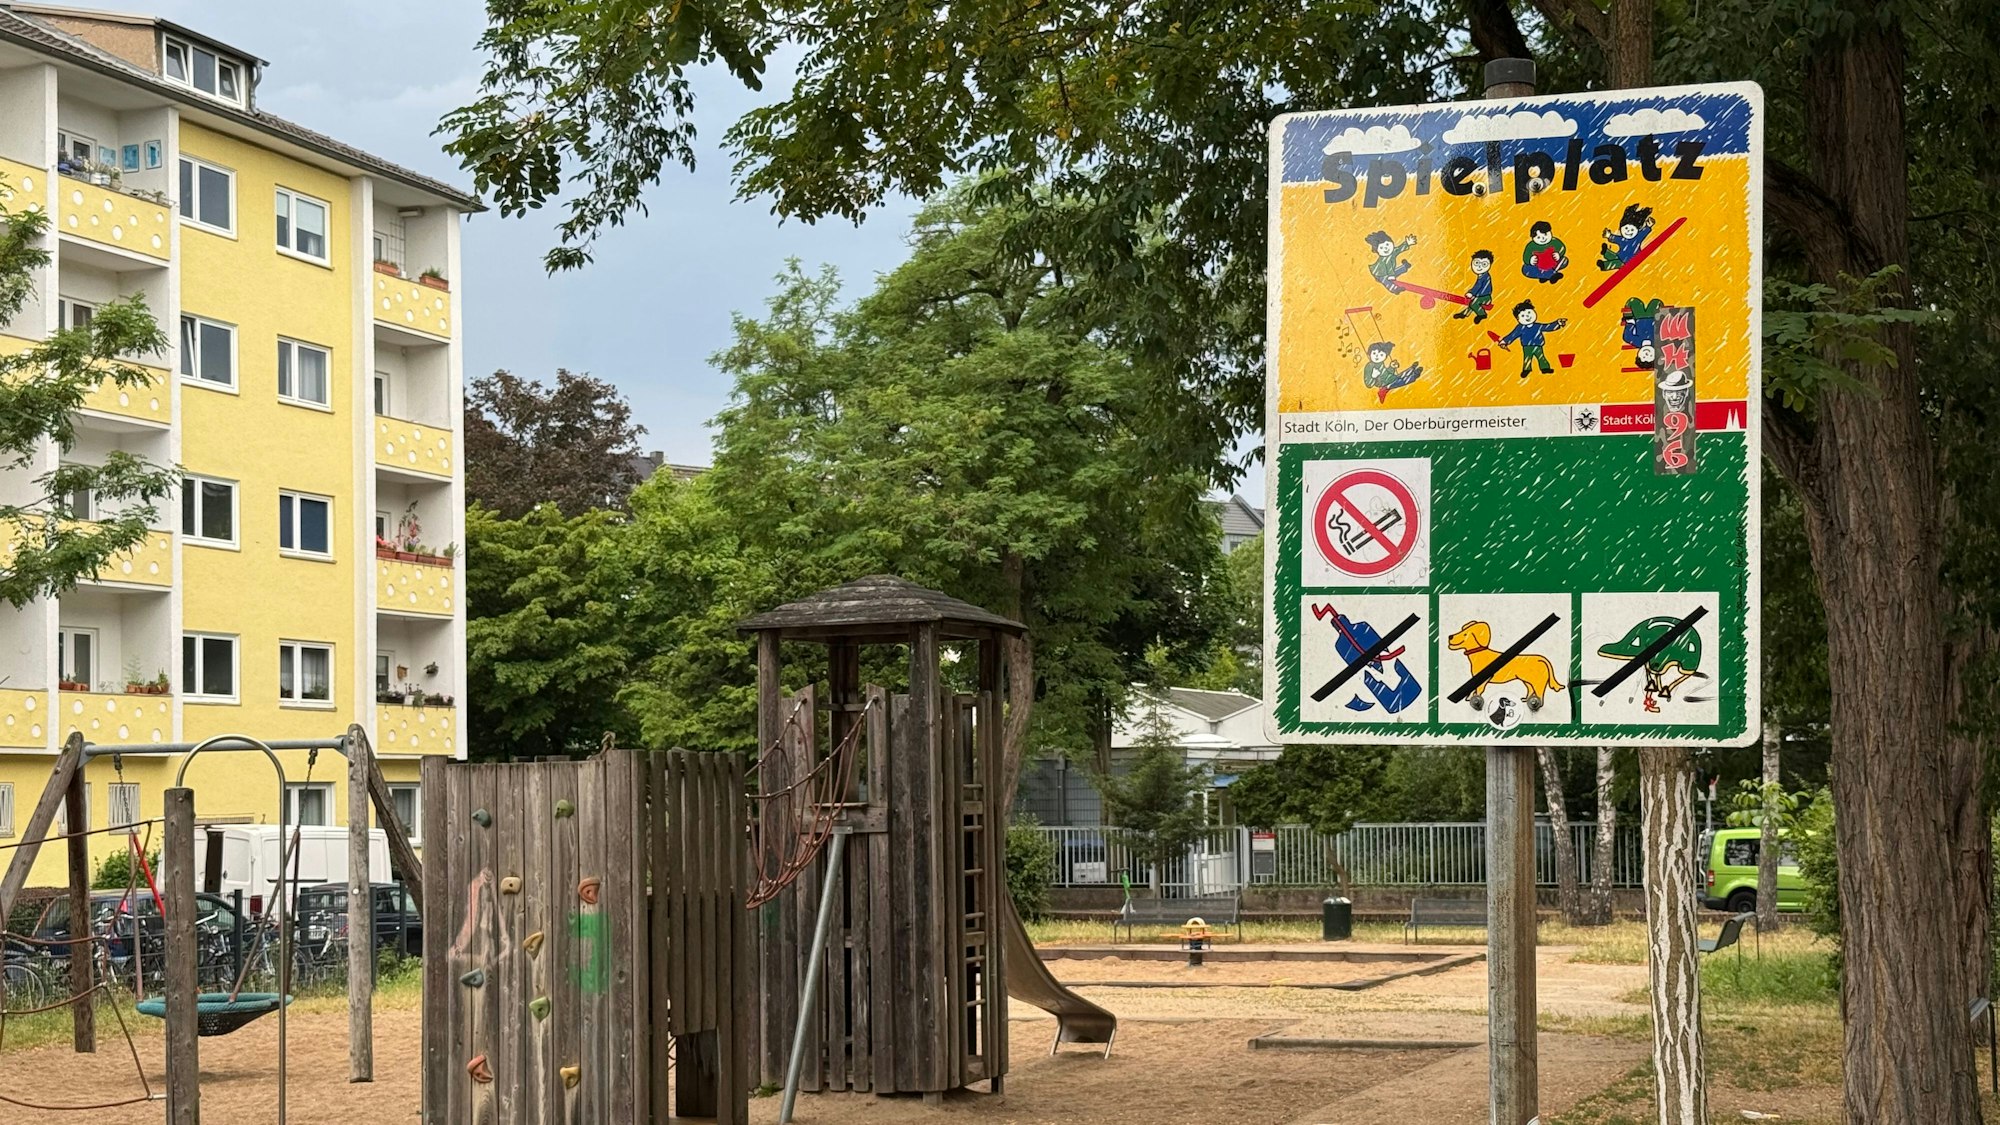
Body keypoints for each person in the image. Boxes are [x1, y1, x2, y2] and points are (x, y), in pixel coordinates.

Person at [1495, 300, 1570, 379]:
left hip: (1538, 345)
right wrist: (1505, 341)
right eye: (1523, 316)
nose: (1527, 316)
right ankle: (1526, 369)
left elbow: (1548, 327)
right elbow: (1512, 335)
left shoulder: (1538, 326)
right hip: (1527, 346)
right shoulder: (1520, 328)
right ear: (1518, 319)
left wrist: (1558, 323)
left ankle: (1545, 368)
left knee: (1541, 357)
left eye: (1529, 313)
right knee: (1527, 358)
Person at [1598, 204, 1656, 271]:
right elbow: (1615, 238)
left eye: (1632, 230)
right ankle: (1606, 253)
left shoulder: (1637, 238)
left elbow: (1643, 233)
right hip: (1621, 256)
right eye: (1626, 228)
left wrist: (1648, 226)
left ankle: (1605, 264)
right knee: (1615, 257)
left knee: (1617, 262)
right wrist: (1609, 235)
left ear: (1637, 230)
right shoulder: (1622, 239)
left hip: (1631, 260)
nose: (1628, 231)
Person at [1452, 249, 1495, 323]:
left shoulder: (1485, 276)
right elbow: (1477, 287)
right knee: (1472, 303)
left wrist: (1472, 294)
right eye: (1477, 263)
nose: (1479, 267)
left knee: (1474, 303)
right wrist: (1472, 294)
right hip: (1480, 296)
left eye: (1484, 264)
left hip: (1486, 298)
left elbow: (1479, 287)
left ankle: (1482, 314)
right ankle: (1464, 314)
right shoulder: (1481, 276)